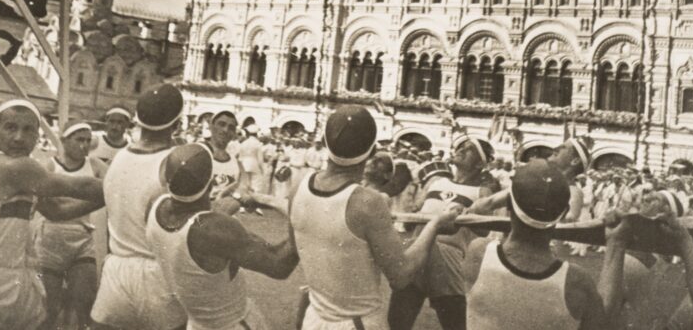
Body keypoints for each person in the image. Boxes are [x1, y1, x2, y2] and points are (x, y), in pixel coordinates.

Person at [290, 104, 459, 330]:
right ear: (370, 152)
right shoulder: (368, 202)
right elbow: (400, 275)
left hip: (314, 319)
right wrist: (435, 224)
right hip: (357, 323)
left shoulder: (298, 186)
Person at [0, 98, 104, 330]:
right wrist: (122, 186)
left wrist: (106, 199)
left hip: (19, 279)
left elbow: (56, 211)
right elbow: (81, 188)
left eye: (27, 130)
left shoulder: (25, 171)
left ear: (37, 136)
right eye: (11, 127)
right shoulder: (7, 166)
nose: (18, 137)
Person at [461, 158, 631, 330]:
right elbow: (604, 322)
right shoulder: (577, 282)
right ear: (564, 212)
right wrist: (616, 244)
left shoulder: (479, 252)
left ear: (509, 204)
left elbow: (477, 209)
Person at [147, 143, 299, 330]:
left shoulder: (157, 206)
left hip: (196, 324)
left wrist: (239, 198)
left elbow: (202, 213)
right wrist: (301, 221)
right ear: (210, 185)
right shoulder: (216, 230)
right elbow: (279, 265)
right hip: (232, 324)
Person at [90, 83, 187, 330]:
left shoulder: (119, 158)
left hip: (117, 269)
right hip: (158, 275)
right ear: (176, 123)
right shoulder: (174, 161)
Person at [389, 136, 496, 330]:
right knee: (396, 324)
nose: (461, 150)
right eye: (461, 146)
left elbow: (483, 230)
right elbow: (417, 212)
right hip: (417, 253)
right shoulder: (437, 182)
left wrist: (464, 214)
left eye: (469, 149)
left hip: (448, 260)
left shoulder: (483, 193)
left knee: (455, 326)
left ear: (481, 163)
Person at [36, 120, 107, 330]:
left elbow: (114, 186)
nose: (84, 145)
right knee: (49, 309)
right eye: (79, 140)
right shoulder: (49, 166)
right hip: (51, 240)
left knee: (86, 303)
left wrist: (66, 206)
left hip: (82, 240)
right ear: (64, 140)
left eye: (88, 140)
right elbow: (48, 206)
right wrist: (87, 203)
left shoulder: (95, 165)